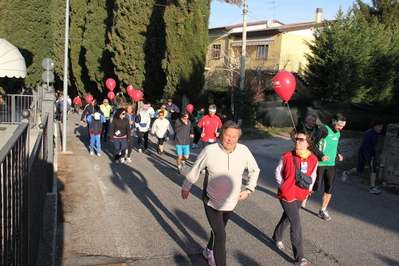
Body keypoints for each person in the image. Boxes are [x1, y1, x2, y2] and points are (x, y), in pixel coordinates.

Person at [181, 120, 260, 266]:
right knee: (221, 235)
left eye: (234, 137)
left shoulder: (243, 151)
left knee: (218, 231)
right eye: (227, 135)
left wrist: (249, 190)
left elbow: (255, 170)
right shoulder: (209, 151)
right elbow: (195, 170)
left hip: (231, 202)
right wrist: (186, 187)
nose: (230, 139)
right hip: (211, 201)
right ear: (221, 135)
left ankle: (208, 250)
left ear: (238, 138)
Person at [272, 130, 318, 266]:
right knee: (296, 222)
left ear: (308, 143)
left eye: (301, 140)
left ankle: (276, 237)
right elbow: (277, 171)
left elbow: (313, 176)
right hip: (287, 194)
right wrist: (283, 186)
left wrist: (308, 192)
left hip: (301, 194)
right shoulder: (286, 156)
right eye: (297, 139)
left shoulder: (313, 159)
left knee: (287, 218)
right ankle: (299, 257)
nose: (297, 141)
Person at [310, 113, 346, 221]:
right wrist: (321, 156)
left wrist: (338, 153)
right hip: (320, 163)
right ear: (334, 123)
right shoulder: (324, 130)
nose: (341, 128)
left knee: (329, 188)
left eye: (343, 126)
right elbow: (311, 143)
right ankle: (302, 196)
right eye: (339, 126)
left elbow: (334, 145)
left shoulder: (338, 133)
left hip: (331, 164)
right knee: (316, 187)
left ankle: (323, 210)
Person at [342, 118, 383, 194]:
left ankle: (372, 188)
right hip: (363, 152)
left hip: (372, 152)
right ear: (374, 126)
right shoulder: (368, 133)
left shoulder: (378, 133)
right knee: (360, 169)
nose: (380, 128)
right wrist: (368, 156)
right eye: (379, 127)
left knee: (373, 170)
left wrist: (372, 154)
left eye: (381, 127)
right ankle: (346, 173)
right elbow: (364, 146)